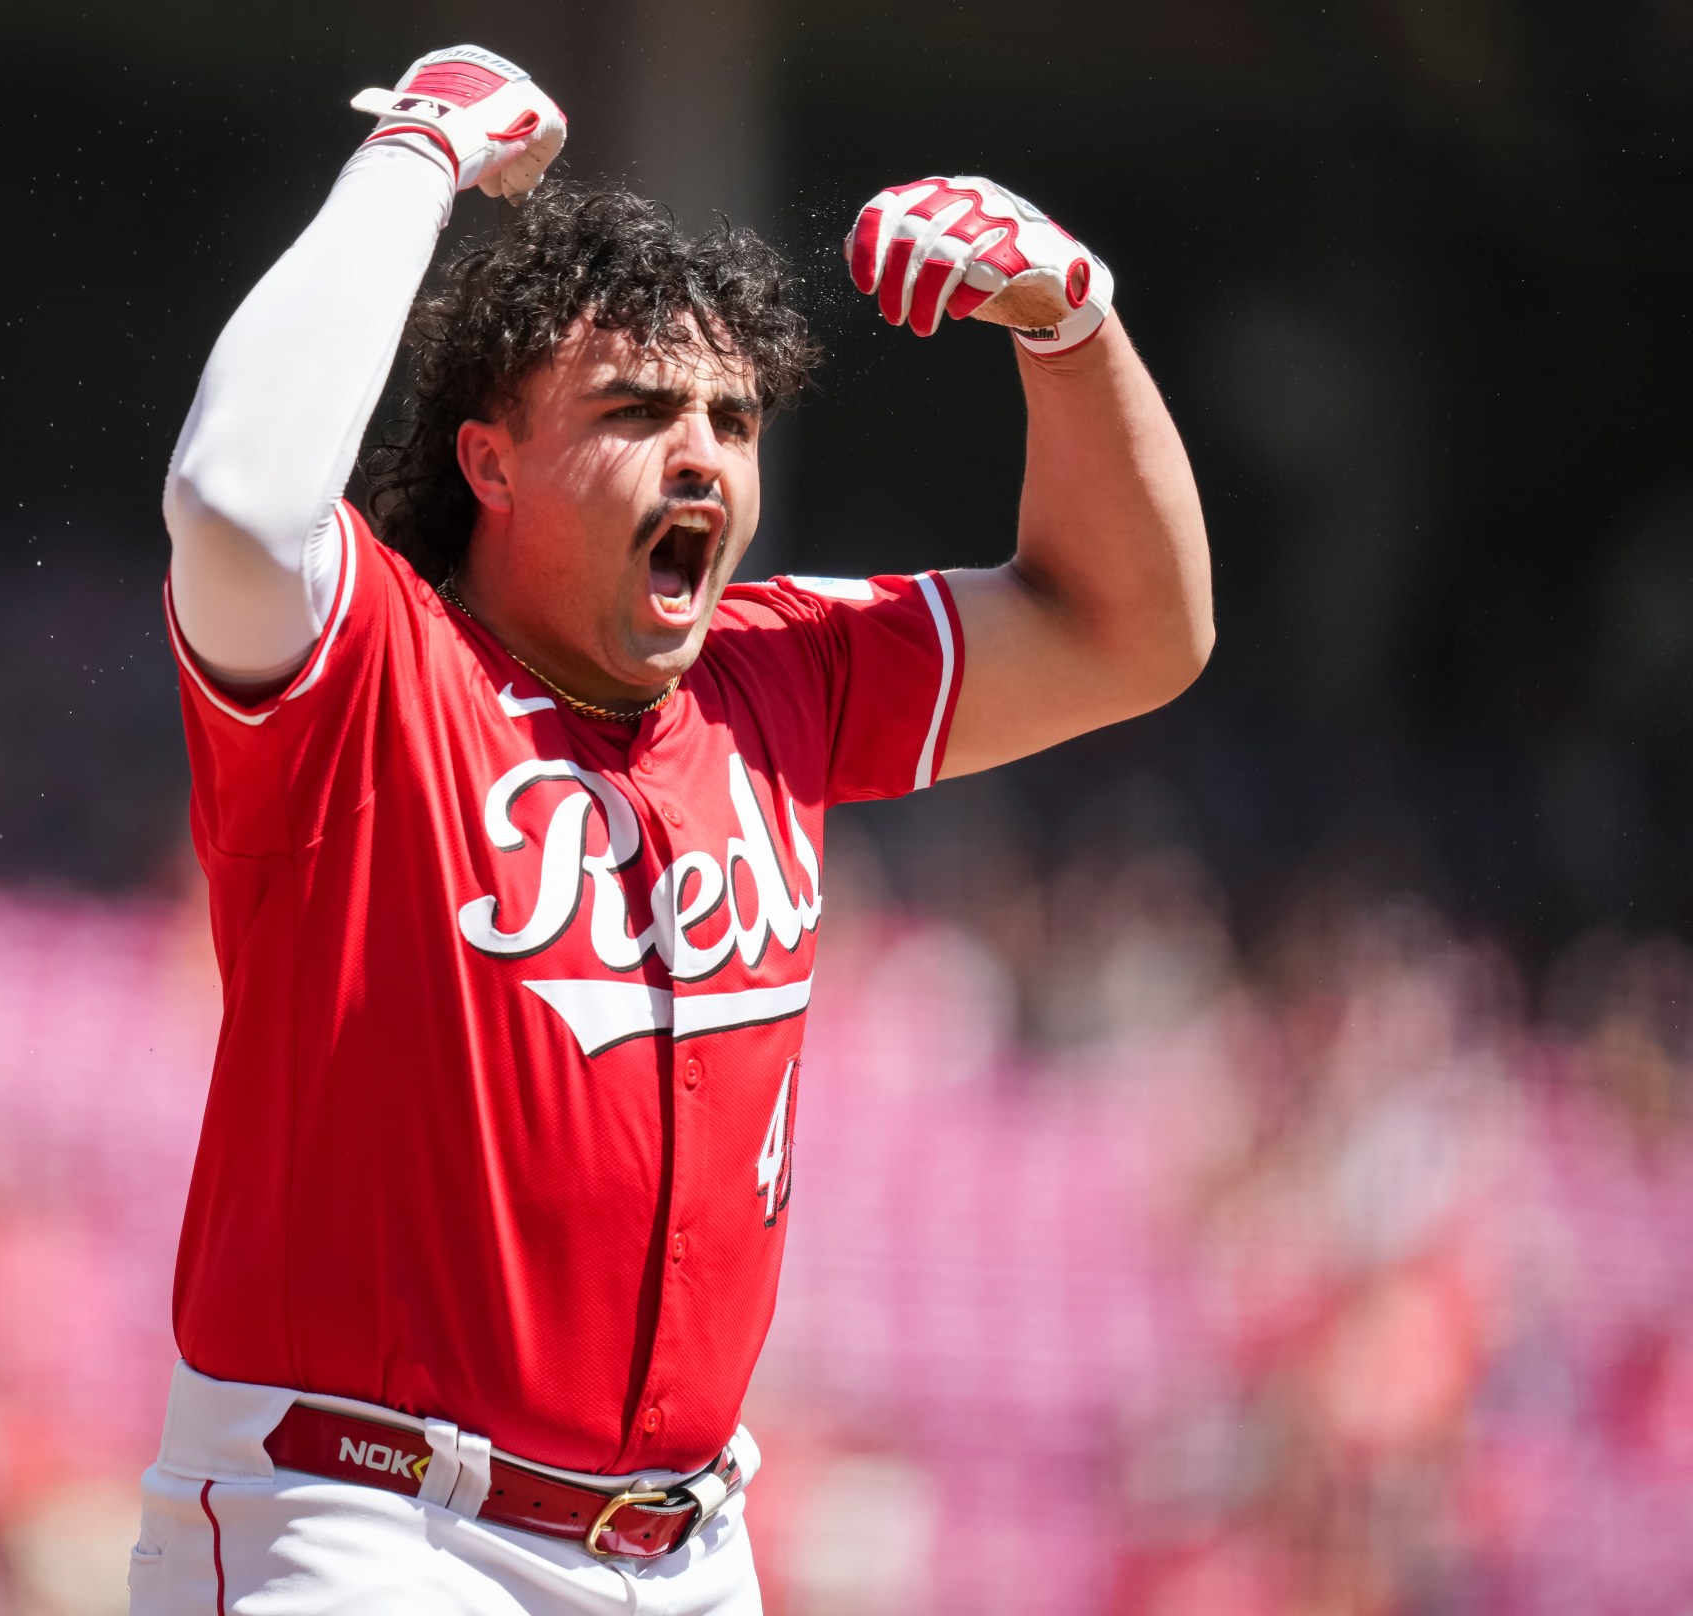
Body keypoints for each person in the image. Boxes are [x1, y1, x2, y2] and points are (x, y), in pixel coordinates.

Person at [138, 42, 1210, 1614]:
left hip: (688, 1548)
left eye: (734, 414)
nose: (703, 449)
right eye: (638, 409)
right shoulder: (364, 675)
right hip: (366, 1520)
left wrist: (1072, 325)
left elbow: (1137, 632)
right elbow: (235, 499)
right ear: (487, 462)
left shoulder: (786, 674)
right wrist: (418, 155)